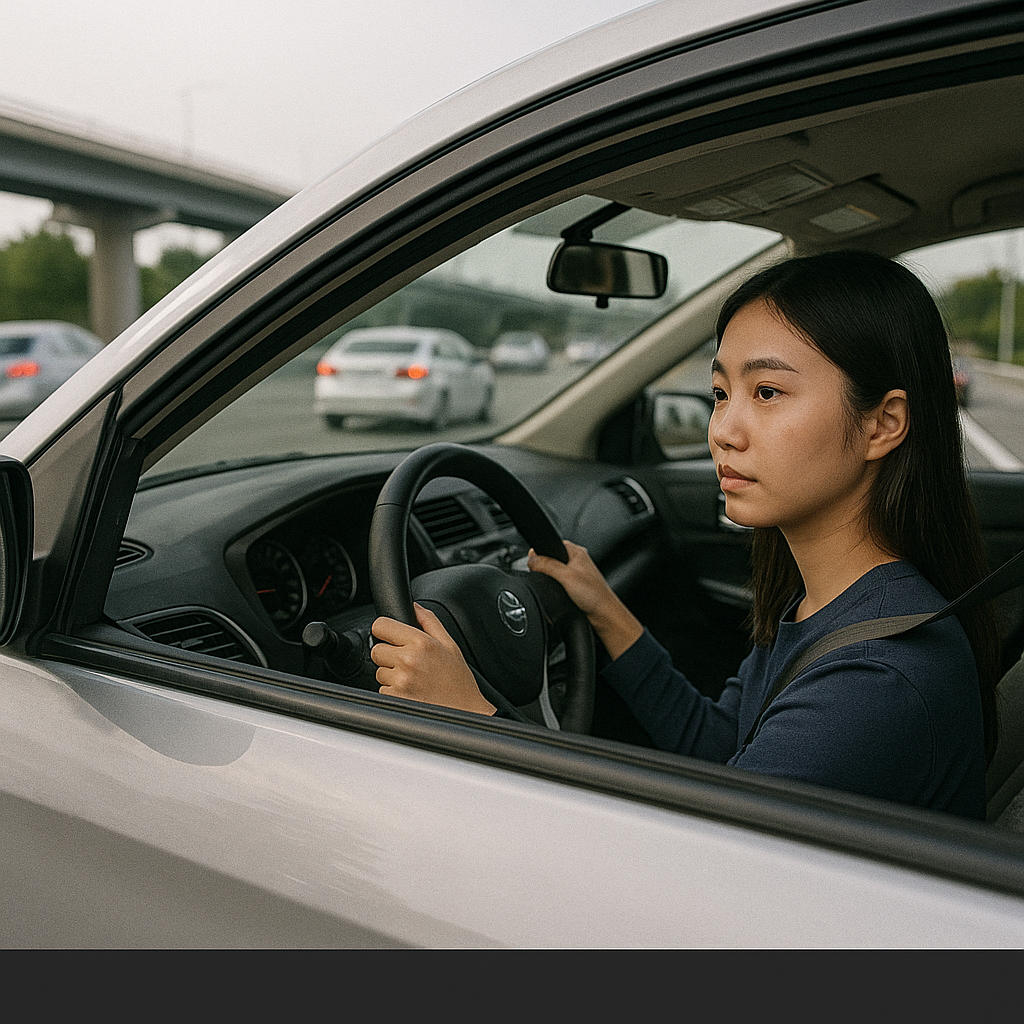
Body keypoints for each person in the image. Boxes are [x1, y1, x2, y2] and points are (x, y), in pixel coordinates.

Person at [370, 250, 1000, 819]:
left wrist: (472, 720)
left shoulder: (875, 679)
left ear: (883, 424)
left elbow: (684, 881)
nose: (723, 429)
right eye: (721, 393)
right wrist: (606, 609)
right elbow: (720, 747)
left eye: (769, 391)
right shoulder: (832, 605)